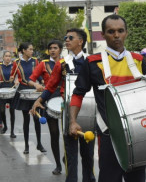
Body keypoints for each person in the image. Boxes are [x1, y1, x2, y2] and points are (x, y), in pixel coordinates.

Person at [67, 14, 146, 182]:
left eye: (120, 31)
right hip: (110, 134)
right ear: (103, 34)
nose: (116, 35)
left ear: (126, 33)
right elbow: (78, 93)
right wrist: (72, 121)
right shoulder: (93, 62)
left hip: (138, 132)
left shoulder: (138, 60)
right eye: (111, 31)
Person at [31, 29, 95, 182]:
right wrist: (39, 100)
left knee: (88, 154)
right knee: (70, 153)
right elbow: (51, 85)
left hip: (89, 109)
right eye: (65, 37)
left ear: (80, 41)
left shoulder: (92, 60)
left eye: (70, 38)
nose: (66, 40)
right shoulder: (62, 63)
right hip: (68, 112)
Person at [28, 40, 63, 175]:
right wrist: (36, 85)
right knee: (54, 134)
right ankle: (58, 165)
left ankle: (66, 156)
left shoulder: (66, 62)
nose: (52, 50)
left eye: (55, 48)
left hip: (64, 97)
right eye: (50, 48)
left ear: (60, 49)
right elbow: (31, 79)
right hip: (48, 98)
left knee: (67, 134)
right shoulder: (43, 64)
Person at [11, 42, 46, 154]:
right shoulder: (17, 62)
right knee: (26, 120)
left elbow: (38, 74)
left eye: (32, 49)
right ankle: (26, 145)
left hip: (35, 91)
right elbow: (15, 76)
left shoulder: (35, 61)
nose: (32, 51)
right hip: (24, 92)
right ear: (24, 51)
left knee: (37, 118)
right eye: (30, 49)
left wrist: (41, 81)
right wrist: (13, 78)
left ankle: (39, 144)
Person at [0, 51, 16, 137]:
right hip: (2, 89)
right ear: (3, 57)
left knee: (12, 111)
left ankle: (12, 131)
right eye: (6, 56)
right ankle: (5, 126)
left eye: (9, 56)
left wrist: (16, 81)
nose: (8, 58)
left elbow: (19, 77)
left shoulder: (14, 66)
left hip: (11, 89)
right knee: (2, 111)